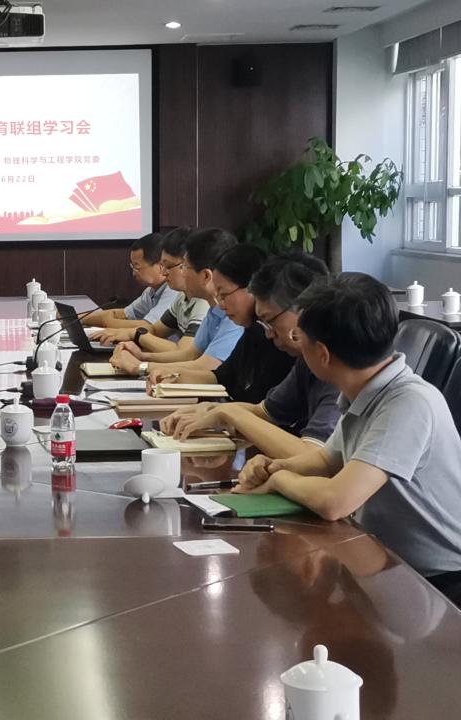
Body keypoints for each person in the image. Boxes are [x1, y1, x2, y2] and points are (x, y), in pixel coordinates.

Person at [234, 273, 461, 606]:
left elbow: (335, 502)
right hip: (386, 563)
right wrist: (276, 467)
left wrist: (280, 480)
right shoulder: (365, 390)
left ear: (322, 353)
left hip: (440, 583)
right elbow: (327, 460)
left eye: (300, 337)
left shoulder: (409, 403)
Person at [161, 253, 340, 458]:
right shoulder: (306, 360)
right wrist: (211, 410)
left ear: (303, 309)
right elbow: (263, 412)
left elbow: (313, 456)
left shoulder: (340, 363)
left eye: (270, 321)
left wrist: (228, 412)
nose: (268, 333)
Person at [146, 244, 294, 402]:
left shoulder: (282, 341)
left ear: (253, 288)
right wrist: (174, 375)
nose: (221, 305)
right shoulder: (254, 330)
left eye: (224, 295)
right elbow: (221, 376)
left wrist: (219, 411)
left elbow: (266, 409)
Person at [110, 227, 243, 377]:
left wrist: (140, 367)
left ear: (206, 276)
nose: (182, 273)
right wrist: (142, 356)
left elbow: (207, 366)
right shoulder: (214, 310)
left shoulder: (234, 314)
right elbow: (190, 355)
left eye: (185, 267)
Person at [92, 226, 209, 351]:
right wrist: (124, 333)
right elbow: (155, 329)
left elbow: (183, 352)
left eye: (168, 266)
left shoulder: (204, 302)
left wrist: (137, 344)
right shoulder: (182, 297)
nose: (163, 272)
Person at [80, 233, 178, 329]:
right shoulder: (151, 291)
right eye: (132, 267)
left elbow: (148, 326)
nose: (134, 273)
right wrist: (80, 319)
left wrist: (107, 322)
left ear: (160, 266)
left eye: (137, 267)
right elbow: (124, 314)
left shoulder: (173, 291)